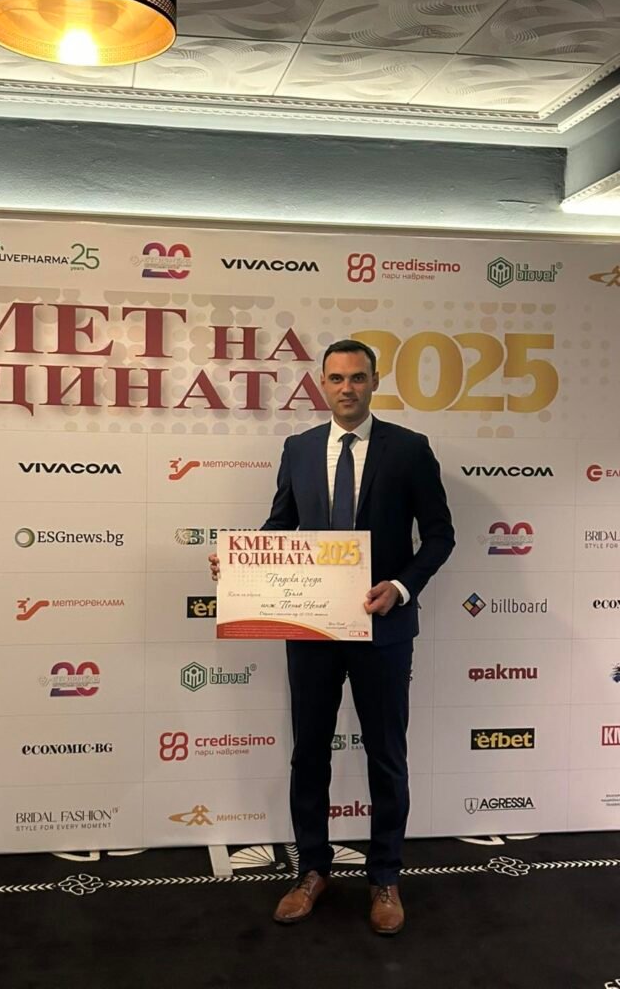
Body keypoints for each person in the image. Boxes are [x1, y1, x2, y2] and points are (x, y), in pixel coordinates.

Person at [209, 338, 454, 935]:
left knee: (386, 755)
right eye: (337, 378)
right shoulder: (298, 448)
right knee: (309, 752)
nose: (347, 388)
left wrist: (401, 586)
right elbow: (281, 526)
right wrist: (242, 565)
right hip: (311, 627)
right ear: (323, 383)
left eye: (358, 377)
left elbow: (440, 535)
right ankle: (312, 871)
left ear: (375, 382)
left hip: (383, 628)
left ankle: (385, 877)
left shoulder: (410, 448)